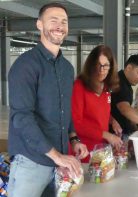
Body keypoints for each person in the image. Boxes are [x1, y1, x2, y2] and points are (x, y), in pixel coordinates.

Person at [7, 3, 88, 197]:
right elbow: (22, 117)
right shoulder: (25, 65)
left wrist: (74, 139)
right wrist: (57, 156)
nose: (60, 26)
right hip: (31, 162)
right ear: (39, 25)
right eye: (53, 20)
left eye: (64, 22)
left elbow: (64, 111)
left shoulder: (67, 69)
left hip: (59, 164)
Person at [71, 45, 123, 163]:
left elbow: (100, 112)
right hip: (84, 150)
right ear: (90, 65)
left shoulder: (106, 87)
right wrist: (108, 135)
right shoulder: (79, 86)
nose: (101, 70)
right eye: (98, 65)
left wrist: (112, 121)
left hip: (101, 148)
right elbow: (76, 123)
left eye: (106, 65)